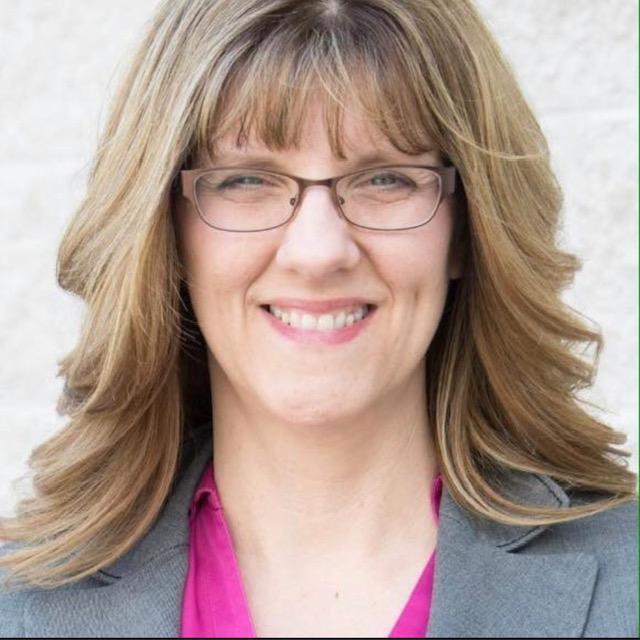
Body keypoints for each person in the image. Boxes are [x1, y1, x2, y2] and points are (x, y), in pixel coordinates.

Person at [0, 0, 637, 637]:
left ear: (468, 231)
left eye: (386, 179)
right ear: (166, 234)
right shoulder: (22, 602)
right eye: (246, 180)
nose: (318, 251)